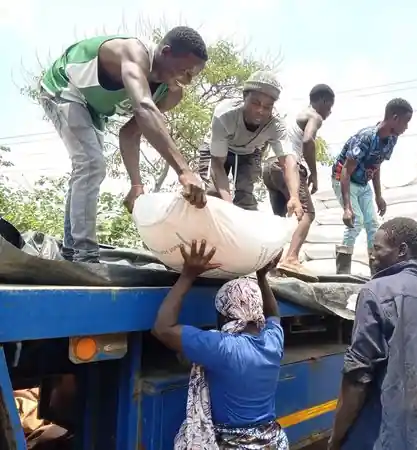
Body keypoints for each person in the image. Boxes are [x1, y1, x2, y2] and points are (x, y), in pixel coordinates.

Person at [40, 27, 209, 263]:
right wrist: (184, 171)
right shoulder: (134, 53)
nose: (187, 80)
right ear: (167, 52)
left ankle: (72, 249)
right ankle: (84, 256)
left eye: (193, 76)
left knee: (88, 168)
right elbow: (144, 108)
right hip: (64, 87)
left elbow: (130, 132)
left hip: (94, 110)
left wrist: (136, 184)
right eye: (185, 70)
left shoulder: (171, 93)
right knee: (90, 165)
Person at [328, 217, 417, 450]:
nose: (371, 255)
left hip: (380, 437)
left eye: (377, 248)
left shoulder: (375, 291)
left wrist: (336, 437)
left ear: (402, 250)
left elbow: (357, 377)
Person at [152, 240, 288, 449]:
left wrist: (188, 275)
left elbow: (162, 329)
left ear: (226, 315)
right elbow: (274, 316)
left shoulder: (223, 348)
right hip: (273, 441)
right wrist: (262, 276)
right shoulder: (273, 341)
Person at [198, 71, 302, 217]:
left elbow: (288, 162)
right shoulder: (225, 115)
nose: (260, 111)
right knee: (213, 196)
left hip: (248, 153)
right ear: (244, 97)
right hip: (217, 152)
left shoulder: (276, 124)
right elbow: (217, 164)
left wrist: (294, 197)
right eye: (255, 103)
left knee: (245, 199)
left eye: (267, 107)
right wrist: (228, 206)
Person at [331, 98, 413, 275]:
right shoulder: (365, 138)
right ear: (395, 118)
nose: (406, 127)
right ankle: (343, 271)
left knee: (373, 224)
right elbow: (346, 170)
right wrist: (347, 207)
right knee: (356, 219)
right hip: (344, 178)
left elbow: (376, 166)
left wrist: (378, 196)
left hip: (362, 182)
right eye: (406, 122)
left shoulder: (391, 139)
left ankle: (375, 270)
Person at [262, 84, 335, 280]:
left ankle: (270, 264)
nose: (330, 112)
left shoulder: (294, 115)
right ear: (324, 101)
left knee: (280, 219)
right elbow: (308, 140)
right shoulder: (314, 116)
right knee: (307, 214)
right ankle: (291, 259)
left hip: (269, 167)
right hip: (287, 167)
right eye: (330, 107)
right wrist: (313, 172)